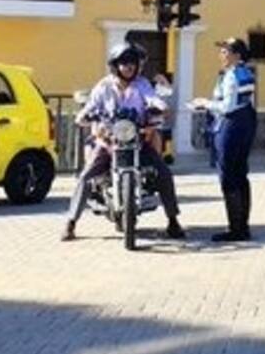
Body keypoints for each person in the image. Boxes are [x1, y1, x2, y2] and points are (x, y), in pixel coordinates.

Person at [62, 42, 185, 242]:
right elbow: (91, 106)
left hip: (136, 140)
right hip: (108, 141)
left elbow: (152, 98)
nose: (128, 67)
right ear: (115, 65)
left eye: (132, 63)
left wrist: (160, 107)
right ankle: (71, 222)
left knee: (163, 172)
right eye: (124, 63)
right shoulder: (103, 86)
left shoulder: (142, 84)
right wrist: (84, 116)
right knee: (85, 177)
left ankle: (173, 220)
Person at [192, 37, 257, 242]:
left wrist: (205, 103)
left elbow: (227, 106)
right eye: (221, 51)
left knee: (228, 174)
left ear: (237, 55)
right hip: (246, 120)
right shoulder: (245, 72)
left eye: (225, 51)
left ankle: (236, 228)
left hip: (231, 124)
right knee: (240, 174)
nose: (221, 55)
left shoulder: (231, 76)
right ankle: (242, 225)